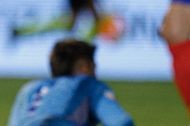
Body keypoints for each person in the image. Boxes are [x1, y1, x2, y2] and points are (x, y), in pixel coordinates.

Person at [7, 38, 135, 126]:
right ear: (86, 66)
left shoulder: (29, 88)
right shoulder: (87, 84)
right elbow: (121, 123)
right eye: (94, 66)